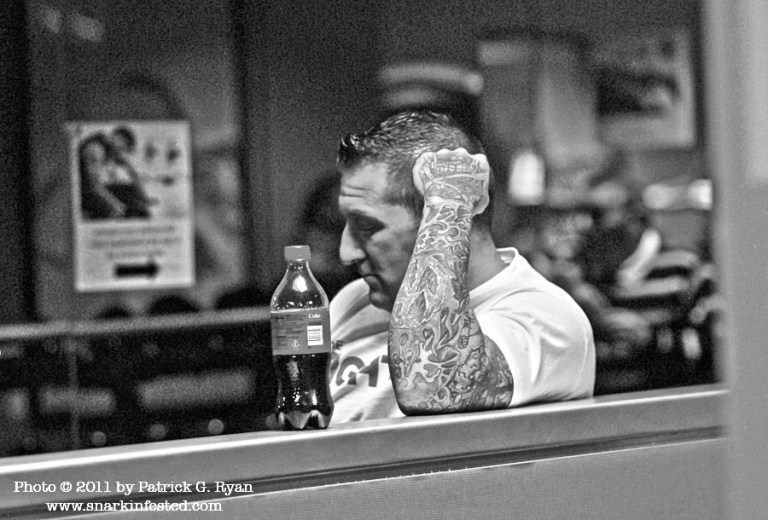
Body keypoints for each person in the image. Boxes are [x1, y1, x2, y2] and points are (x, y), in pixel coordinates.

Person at [329, 111, 595, 422]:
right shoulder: (354, 300)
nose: (346, 254)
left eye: (367, 227)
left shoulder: (547, 318)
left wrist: (450, 199)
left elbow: (429, 386)